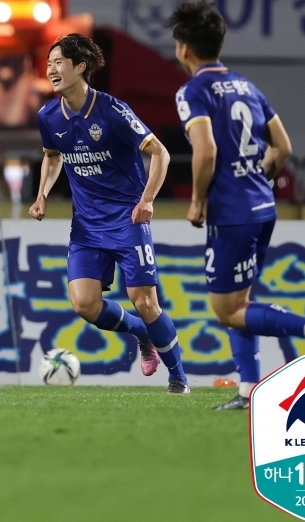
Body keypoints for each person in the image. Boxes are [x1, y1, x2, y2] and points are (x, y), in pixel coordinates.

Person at [167, 0, 305, 410]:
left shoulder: (192, 91)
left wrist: (198, 200)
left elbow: (206, 152)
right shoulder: (246, 86)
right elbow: (283, 147)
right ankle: (249, 391)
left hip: (231, 213)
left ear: (183, 47)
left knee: (227, 310)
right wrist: (258, 173)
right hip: (262, 206)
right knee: (241, 302)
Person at [29, 34, 190, 394]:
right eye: (49, 63)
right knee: (84, 304)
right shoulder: (48, 115)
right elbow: (52, 156)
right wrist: (41, 194)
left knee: (145, 301)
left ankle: (178, 377)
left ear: (80, 67)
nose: (51, 70)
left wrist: (147, 200)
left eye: (59, 63)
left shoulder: (113, 112)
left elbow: (160, 153)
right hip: (86, 226)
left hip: (128, 221)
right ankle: (140, 333)